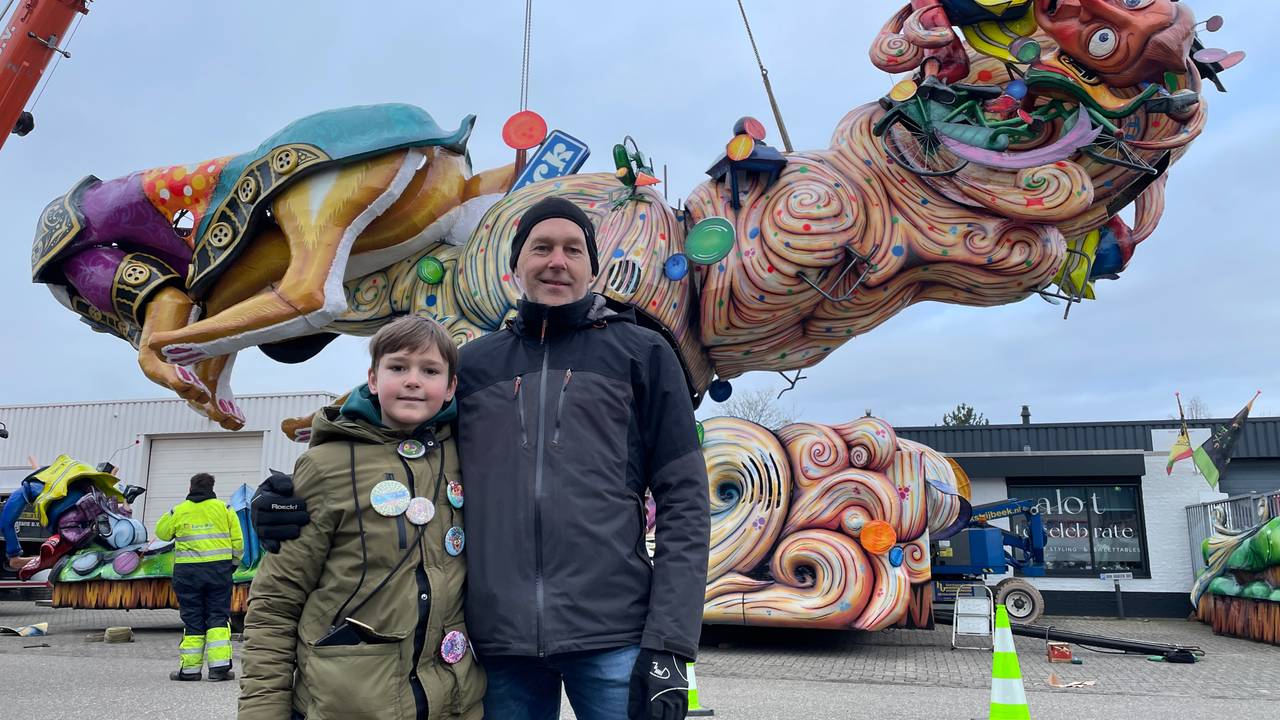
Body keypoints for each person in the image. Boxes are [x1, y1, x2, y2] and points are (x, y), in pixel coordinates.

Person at [255, 196, 711, 720]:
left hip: (615, 634)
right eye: (541, 247)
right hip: (497, 645)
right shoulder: (473, 366)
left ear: (593, 268)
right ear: (516, 265)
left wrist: (670, 645)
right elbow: (387, 434)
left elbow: (684, 502)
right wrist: (295, 492)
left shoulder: (643, 355)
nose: (556, 261)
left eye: (573, 249)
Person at [239, 316, 484, 720]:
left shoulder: (468, 455)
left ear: (450, 387)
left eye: (430, 371)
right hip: (348, 704)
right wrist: (263, 711)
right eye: (398, 367)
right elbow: (276, 602)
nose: (413, 381)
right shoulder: (326, 465)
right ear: (372, 379)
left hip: (454, 703)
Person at [155, 472, 243, 682]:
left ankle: (190, 670)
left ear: (190, 487)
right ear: (212, 487)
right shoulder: (225, 509)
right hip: (218, 572)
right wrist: (232, 565)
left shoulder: (179, 510)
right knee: (218, 616)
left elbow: (161, 533)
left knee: (193, 617)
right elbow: (238, 542)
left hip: (187, 574)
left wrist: (174, 513)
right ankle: (219, 668)